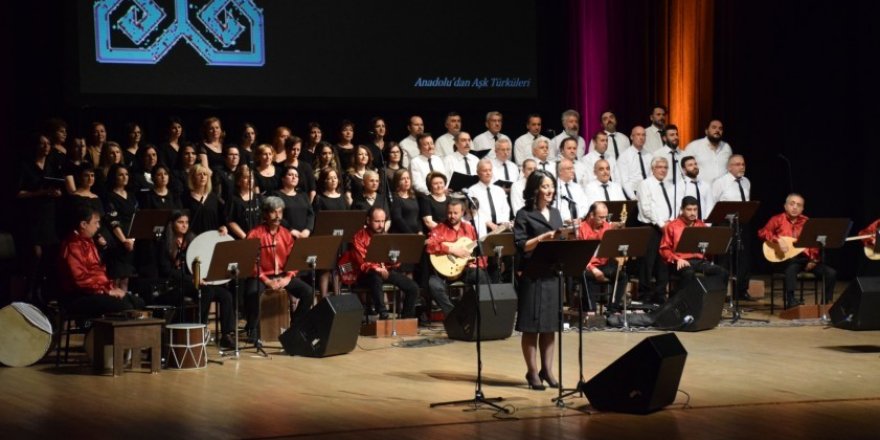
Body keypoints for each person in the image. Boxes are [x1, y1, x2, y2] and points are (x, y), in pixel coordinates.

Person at [513, 170, 563, 390]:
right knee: (531, 327)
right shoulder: (524, 214)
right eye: (545, 186)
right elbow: (521, 245)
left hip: (552, 275)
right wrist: (543, 238)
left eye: (551, 186)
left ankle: (548, 370)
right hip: (532, 276)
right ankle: (532, 372)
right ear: (535, 189)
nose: (550, 190)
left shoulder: (556, 213)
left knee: (550, 327)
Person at [156, 211, 236, 348]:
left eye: (186, 222)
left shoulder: (192, 240)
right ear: (172, 224)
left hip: (196, 280)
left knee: (226, 295)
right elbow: (166, 271)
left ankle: (227, 335)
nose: (184, 225)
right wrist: (193, 279)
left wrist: (219, 232)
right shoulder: (164, 243)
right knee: (207, 292)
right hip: (177, 283)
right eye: (180, 222)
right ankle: (199, 329)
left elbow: (205, 253)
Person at [244, 197, 315, 340]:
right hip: (262, 276)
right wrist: (266, 280)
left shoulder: (286, 234)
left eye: (280, 212)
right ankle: (252, 328)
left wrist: (288, 277)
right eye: (273, 212)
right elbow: (250, 262)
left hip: (283, 275)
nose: (277, 216)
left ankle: (296, 325)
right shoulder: (254, 234)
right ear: (265, 214)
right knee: (252, 293)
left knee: (308, 292)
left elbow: (293, 260)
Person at [58, 205, 144, 316]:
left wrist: (111, 288)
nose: (98, 226)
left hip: (96, 291)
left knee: (138, 302)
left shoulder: (89, 241)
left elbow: (98, 272)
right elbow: (80, 280)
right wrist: (107, 291)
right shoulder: (72, 245)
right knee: (124, 305)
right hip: (79, 295)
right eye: (96, 223)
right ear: (83, 224)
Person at [758, 194, 837, 308]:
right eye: (792, 204)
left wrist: (813, 260)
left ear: (802, 209)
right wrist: (777, 240)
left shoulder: (807, 222)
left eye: (798, 205)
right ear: (785, 206)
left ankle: (825, 304)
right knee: (792, 265)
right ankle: (791, 300)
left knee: (831, 273)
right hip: (785, 259)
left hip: (805, 260)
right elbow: (762, 232)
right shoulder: (777, 219)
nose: (795, 207)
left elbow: (814, 243)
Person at [349, 207, 420, 319]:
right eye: (377, 221)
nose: (381, 225)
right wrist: (377, 269)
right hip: (365, 275)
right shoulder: (358, 237)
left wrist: (394, 261)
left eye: (383, 221)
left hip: (385, 271)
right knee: (375, 278)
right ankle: (383, 314)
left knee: (413, 287)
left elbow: (394, 262)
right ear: (368, 221)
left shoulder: (385, 236)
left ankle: (407, 318)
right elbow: (362, 263)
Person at [425, 198, 490, 315]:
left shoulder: (469, 228)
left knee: (481, 276)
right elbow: (430, 246)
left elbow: (479, 250)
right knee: (433, 285)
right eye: (449, 213)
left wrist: (477, 264)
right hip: (443, 273)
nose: (452, 216)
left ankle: (475, 313)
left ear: (462, 213)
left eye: (455, 213)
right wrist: (452, 249)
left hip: (464, 269)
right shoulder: (440, 228)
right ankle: (453, 315)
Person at [659, 196, 729, 288]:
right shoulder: (672, 226)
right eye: (689, 209)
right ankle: (686, 301)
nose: (692, 213)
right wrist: (677, 259)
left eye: (695, 210)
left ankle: (713, 301)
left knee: (722, 272)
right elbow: (664, 249)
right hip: (681, 261)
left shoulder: (701, 225)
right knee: (688, 274)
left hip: (700, 261)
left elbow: (708, 246)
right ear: (682, 210)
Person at [712, 154, 753, 299]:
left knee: (743, 257)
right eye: (737, 164)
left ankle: (741, 290)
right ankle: (720, 291)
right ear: (729, 167)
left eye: (743, 164)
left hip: (742, 224)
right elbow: (713, 203)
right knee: (724, 259)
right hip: (725, 224)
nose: (741, 167)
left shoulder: (746, 182)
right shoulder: (720, 182)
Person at [636, 157, 674, 304]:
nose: (663, 170)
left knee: (663, 262)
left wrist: (671, 223)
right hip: (651, 227)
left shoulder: (669, 185)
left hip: (666, 227)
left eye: (665, 167)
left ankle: (660, 294)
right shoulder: (645, 184)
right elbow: (647, 208)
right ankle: (644, 295)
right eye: (660, 167)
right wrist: (660, 224)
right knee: (648, 262)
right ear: (653, 168)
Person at [578, 202, 626, 311]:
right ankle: (590, 310)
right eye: (601, 217)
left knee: (622, 276)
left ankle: (612, 309)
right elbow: (580, 255)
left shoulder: (607, 226)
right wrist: (593, 269)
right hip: (587, 265)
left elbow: (612, 247)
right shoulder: (582, 228)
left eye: (605, 217)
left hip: (604, 264)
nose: (604, 220)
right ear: (591, 215)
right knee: (586, 275)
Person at [468, 159, 512, 239]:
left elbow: (505, 208)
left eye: (490, 170)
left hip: (501, 227)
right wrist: (490, 224)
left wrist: (504, 223)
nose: (488, 173)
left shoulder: (499, 190)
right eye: (485, 171)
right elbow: (475, 212)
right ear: (478, 173)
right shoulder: (472, 190)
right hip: (484, 227)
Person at [181, 164, 227, 236]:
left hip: (212, 238)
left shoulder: (214, 198)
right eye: (199, 174)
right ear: (193, 178)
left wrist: (224, 227)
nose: (202, 177)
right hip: (193, 239)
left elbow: (222, 219)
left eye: (205, 174)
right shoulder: (185, 198)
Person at [271, 166, 314, 239]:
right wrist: (290, 230)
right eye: (290, 175)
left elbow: (310, 214)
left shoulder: (303, 195)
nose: (294, 177)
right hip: (285, 236)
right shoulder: (276, 195)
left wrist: (307, 229)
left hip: (304, 236)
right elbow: (276, 215)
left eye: (296, 176)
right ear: (283, 178)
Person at [685, 119, 732, 184]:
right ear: (706, 131)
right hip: (702, 191)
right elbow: (684, 169)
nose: (717, 130)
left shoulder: (726, 147)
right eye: (714, 127)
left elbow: (730, 169)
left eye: (720, 128)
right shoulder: (694, 146)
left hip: (722, 191)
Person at [673, 156, 714, 221]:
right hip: (687, 225)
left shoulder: (705, 185)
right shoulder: (680, 186)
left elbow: (710, 206)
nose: (694, 167)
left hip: (704, 225)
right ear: (684, 169)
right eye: (690, 165)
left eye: (695, 164)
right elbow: (678, 207)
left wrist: (707, 224)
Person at [226, 165, 262, 239]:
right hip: (242, 239)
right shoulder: (233, 199)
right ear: (239, 181)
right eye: (246, 178)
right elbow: (231, 221)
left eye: (251, 177)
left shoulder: (258, 197)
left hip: (258, 237)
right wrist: (246, 237)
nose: (249, 180)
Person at [616, 125, 652, 199]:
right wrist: (633, 198)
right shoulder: (624, 156)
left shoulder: (649, 155)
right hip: (633, 193)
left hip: (648, 193)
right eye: (638, 134)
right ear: (631, 137)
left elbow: (651, 176)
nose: (641, 137)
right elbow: (624, 180)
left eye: (643, 135)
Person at [279, 136, 316, 202]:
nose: (296, 152)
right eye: (293, 149)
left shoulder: (306, 167)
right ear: (287, 149)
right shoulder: (279, 167)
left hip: (303, 203)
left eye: (298, 149)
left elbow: (312, 189)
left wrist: (309, 206)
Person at [555, 158, 589, 226]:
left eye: (573, 168)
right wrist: (567, 219)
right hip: (562, 225)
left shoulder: (577, 187)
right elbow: (555, 207)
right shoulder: (554, 187)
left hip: (579, 223)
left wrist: (580, 218)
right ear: (560, 171)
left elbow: (585, 204)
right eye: (569, 169)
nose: (573, 171)